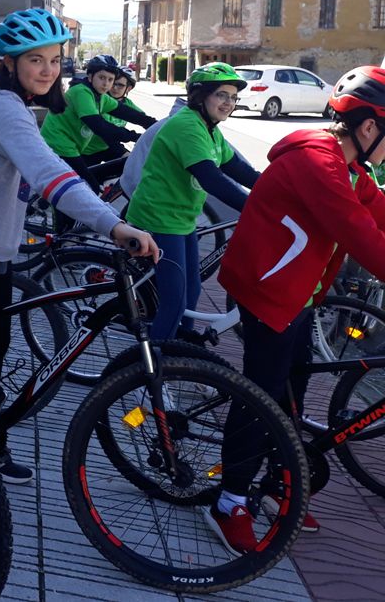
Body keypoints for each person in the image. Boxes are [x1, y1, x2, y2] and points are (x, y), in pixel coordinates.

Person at [0, 8, 156, 484]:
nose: (49, 69)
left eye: (55, 59)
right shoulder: (0, 108)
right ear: (8, 63)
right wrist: (112, 225)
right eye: (35, 59)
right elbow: (47, 173)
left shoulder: (17, 107)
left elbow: (49, 164)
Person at [207, 65, 385, 553]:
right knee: (260, 399)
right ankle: (229, 501)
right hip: (267, 294)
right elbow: (362, 235)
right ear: (369, 128)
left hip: (299, 297)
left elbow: (379, 211)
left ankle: (270, 484)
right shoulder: (319, 164)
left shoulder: (349, 166)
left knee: (292, 394)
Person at [125, 63, 259, 343]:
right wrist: (257, 210)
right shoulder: (186, 126)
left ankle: (181, 343)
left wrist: (277, 190)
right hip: (159, 219)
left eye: (233, 98)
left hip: (181, 220)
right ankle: (152, 369)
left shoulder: (209, 130)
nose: (228, 103)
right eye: (222, 95)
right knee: (174, 301)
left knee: (193, 291)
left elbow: (238, 169)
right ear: (200, 96)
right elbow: (212, 179)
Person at [40, 54, 156, 190]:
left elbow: (128, 113)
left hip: (73, 147)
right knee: (88, 187)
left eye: (110, 79)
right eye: (101, 78)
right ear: (90, 76)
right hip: (59, 145)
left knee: (79, 185)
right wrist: (136, 137)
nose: (106, 84)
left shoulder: (100, 98)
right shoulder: (81, 92)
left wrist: (157, 125)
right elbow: (99, 126)